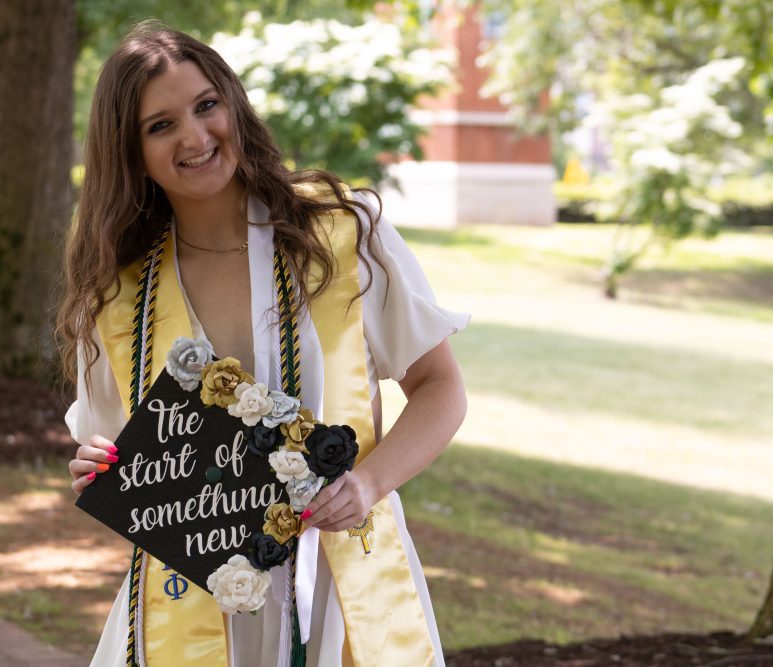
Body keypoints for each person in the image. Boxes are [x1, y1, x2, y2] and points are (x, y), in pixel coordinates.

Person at [57, 21, 468, 667]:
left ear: (233, 104)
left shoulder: (342, 233)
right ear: (131, 151)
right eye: (160, 125)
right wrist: (96, 466)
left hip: (338, 584)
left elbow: (441, 387)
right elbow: (120, 449)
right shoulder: (120, 296)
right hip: (193, 600)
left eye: (206, 105)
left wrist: (368, 482)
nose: (195, 136)